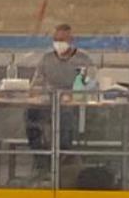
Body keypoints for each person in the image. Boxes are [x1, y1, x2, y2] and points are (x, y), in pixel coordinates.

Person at [26, 23, 96, 175]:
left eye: (62, 40)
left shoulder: (83, 59)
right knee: (30, 114)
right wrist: (38, 92)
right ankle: (40, 158)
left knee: (65, 116)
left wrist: (73, 95)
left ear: (71, 40)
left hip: (73, 106)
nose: (59, 44)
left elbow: (90, 84)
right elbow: (36, 83)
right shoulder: (47, 59)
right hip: (48, 103)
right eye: (56, 40)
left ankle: (63, 157)